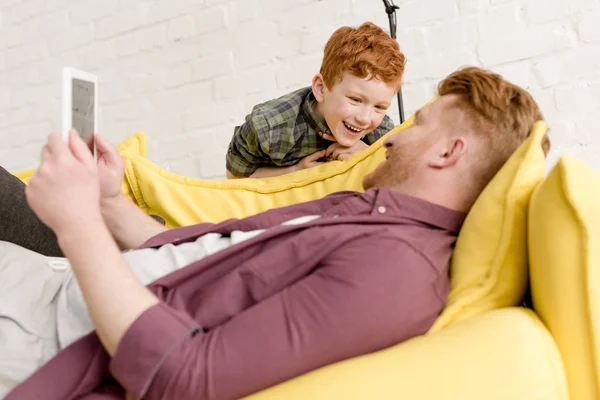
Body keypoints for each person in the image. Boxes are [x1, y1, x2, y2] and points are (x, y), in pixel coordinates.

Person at [1, 66, 549, 400]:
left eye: (415, 125)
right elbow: (199, 259)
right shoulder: (370, 214)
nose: (389, 139)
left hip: (53, 339)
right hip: (59, 287)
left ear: (449, 152)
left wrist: (77, 223)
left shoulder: (398, 270)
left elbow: (186, 378)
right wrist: (110, 200)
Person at [226, 22, 406, 179]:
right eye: (355, 100)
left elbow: (404, 175)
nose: (365, 119)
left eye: (379, 107)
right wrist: (295, 170)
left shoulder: (381, 134)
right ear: (321, 88)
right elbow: (235, 176)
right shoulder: (268, 126)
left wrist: (368, 156)